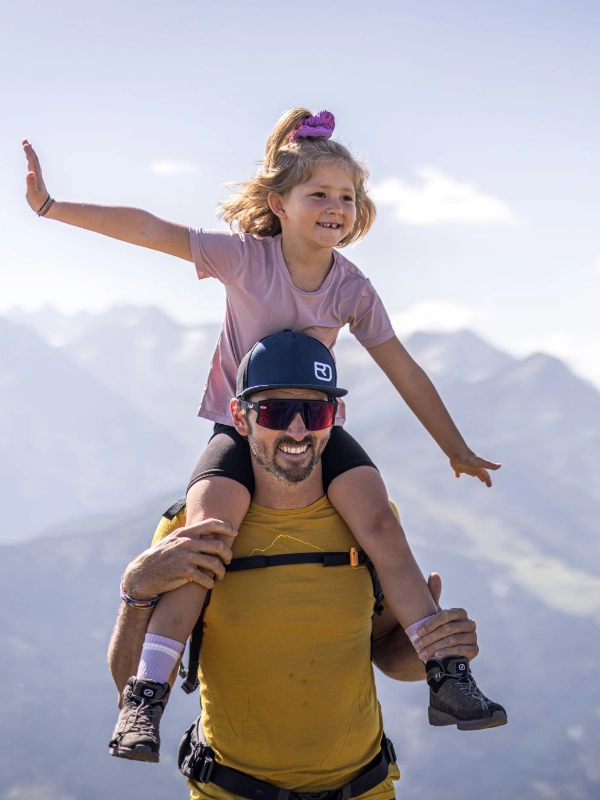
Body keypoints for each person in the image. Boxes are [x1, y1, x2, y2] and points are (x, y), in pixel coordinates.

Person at [24, 108, 503, 748]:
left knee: (381, 523)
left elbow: (404, 370)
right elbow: (149, 227)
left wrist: (456, 448)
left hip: (317, 431)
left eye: (348, 197)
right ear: (278, 203)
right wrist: (51, 205)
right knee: (204, 541)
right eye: (320, 195)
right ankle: (144, 699)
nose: (337, 207)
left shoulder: (352, 287)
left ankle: (447, 675)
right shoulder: (246, 259)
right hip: (239, 426)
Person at [108, 332, 493, 799]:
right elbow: (129, 684)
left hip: (367, 788)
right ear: (240, 418)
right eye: (273, 412)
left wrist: (435, 646)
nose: (297, 430)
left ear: (335, 418)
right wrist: (135, 591)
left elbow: (387, 651)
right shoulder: (189, 527)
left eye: (316, 411)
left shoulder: (370, 520)